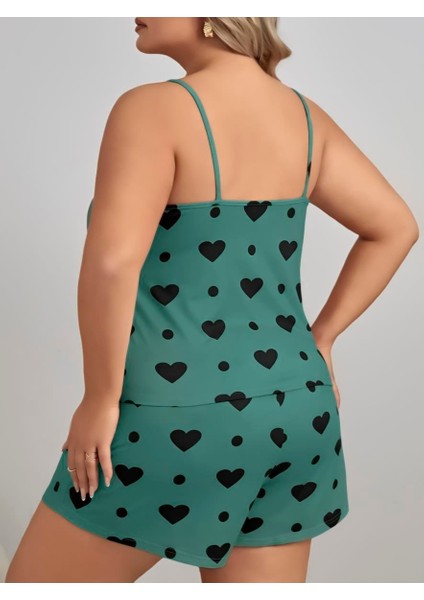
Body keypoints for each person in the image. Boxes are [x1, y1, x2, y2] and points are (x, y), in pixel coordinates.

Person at [5, 17, 419, 584]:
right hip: (300, 409)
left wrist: (100, 399)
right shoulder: (304, 117)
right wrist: (321, 338)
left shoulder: (151, 108)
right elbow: (396, 226)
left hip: (175, 411)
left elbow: (113, 263)